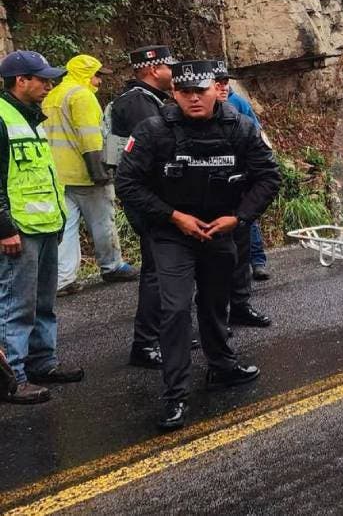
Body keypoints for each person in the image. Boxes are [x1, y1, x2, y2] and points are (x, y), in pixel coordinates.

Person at [116, 59, 280, 430]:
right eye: (185, 92)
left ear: (216, 90)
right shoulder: (153, 130)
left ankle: (222, 367)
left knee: (216, 303)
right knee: (175, 310)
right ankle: (175, 394)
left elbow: (268, 177)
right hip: (172, 232)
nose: (194, 99)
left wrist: (239, 218)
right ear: (174, 93)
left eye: (200, 91)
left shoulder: (240, 127)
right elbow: (127, 183)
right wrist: (174, 216)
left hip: (221, 229)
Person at [0, 50, 85, 405]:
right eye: (43, 79)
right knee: (16, 306)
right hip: (18, 229)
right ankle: (13, 378)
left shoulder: (34, 117)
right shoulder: (2, 117)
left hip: (46, 224)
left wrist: (59, 219)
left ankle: (42, 362)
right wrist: (4, 227)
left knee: (43, 302)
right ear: (21, 81)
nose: (49, 85)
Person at [44, 54, 138, 296]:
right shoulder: (81, 95)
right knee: (103, 223)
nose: (99, 81)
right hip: (86, 174)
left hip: (58, 175)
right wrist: (100, 171)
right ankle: (112, 266)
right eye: (96, 75)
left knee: (67, 228)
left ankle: (63, 279)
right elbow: (91, 137)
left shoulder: (52, 95)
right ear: (85, 74)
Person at [106, 45, 176, 370]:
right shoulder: (138, 103)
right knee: (157, 272)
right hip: (148, 199)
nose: (173, 73)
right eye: (169, 67)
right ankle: (145, 344)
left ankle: (165, 332)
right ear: (152, 69)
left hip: (152, 197)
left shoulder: (148, 100)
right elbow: (158, 152)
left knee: (166, 269)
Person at [211, 62, 271, 327]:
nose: (223, 87)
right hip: (207, 201)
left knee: (243, 244)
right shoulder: (191, 117)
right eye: (217, 82)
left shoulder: (239, 106)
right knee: (214, 262)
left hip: (239, 191)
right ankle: (214, 318)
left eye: (226, 82)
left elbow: (258, 140)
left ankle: (241, 303)